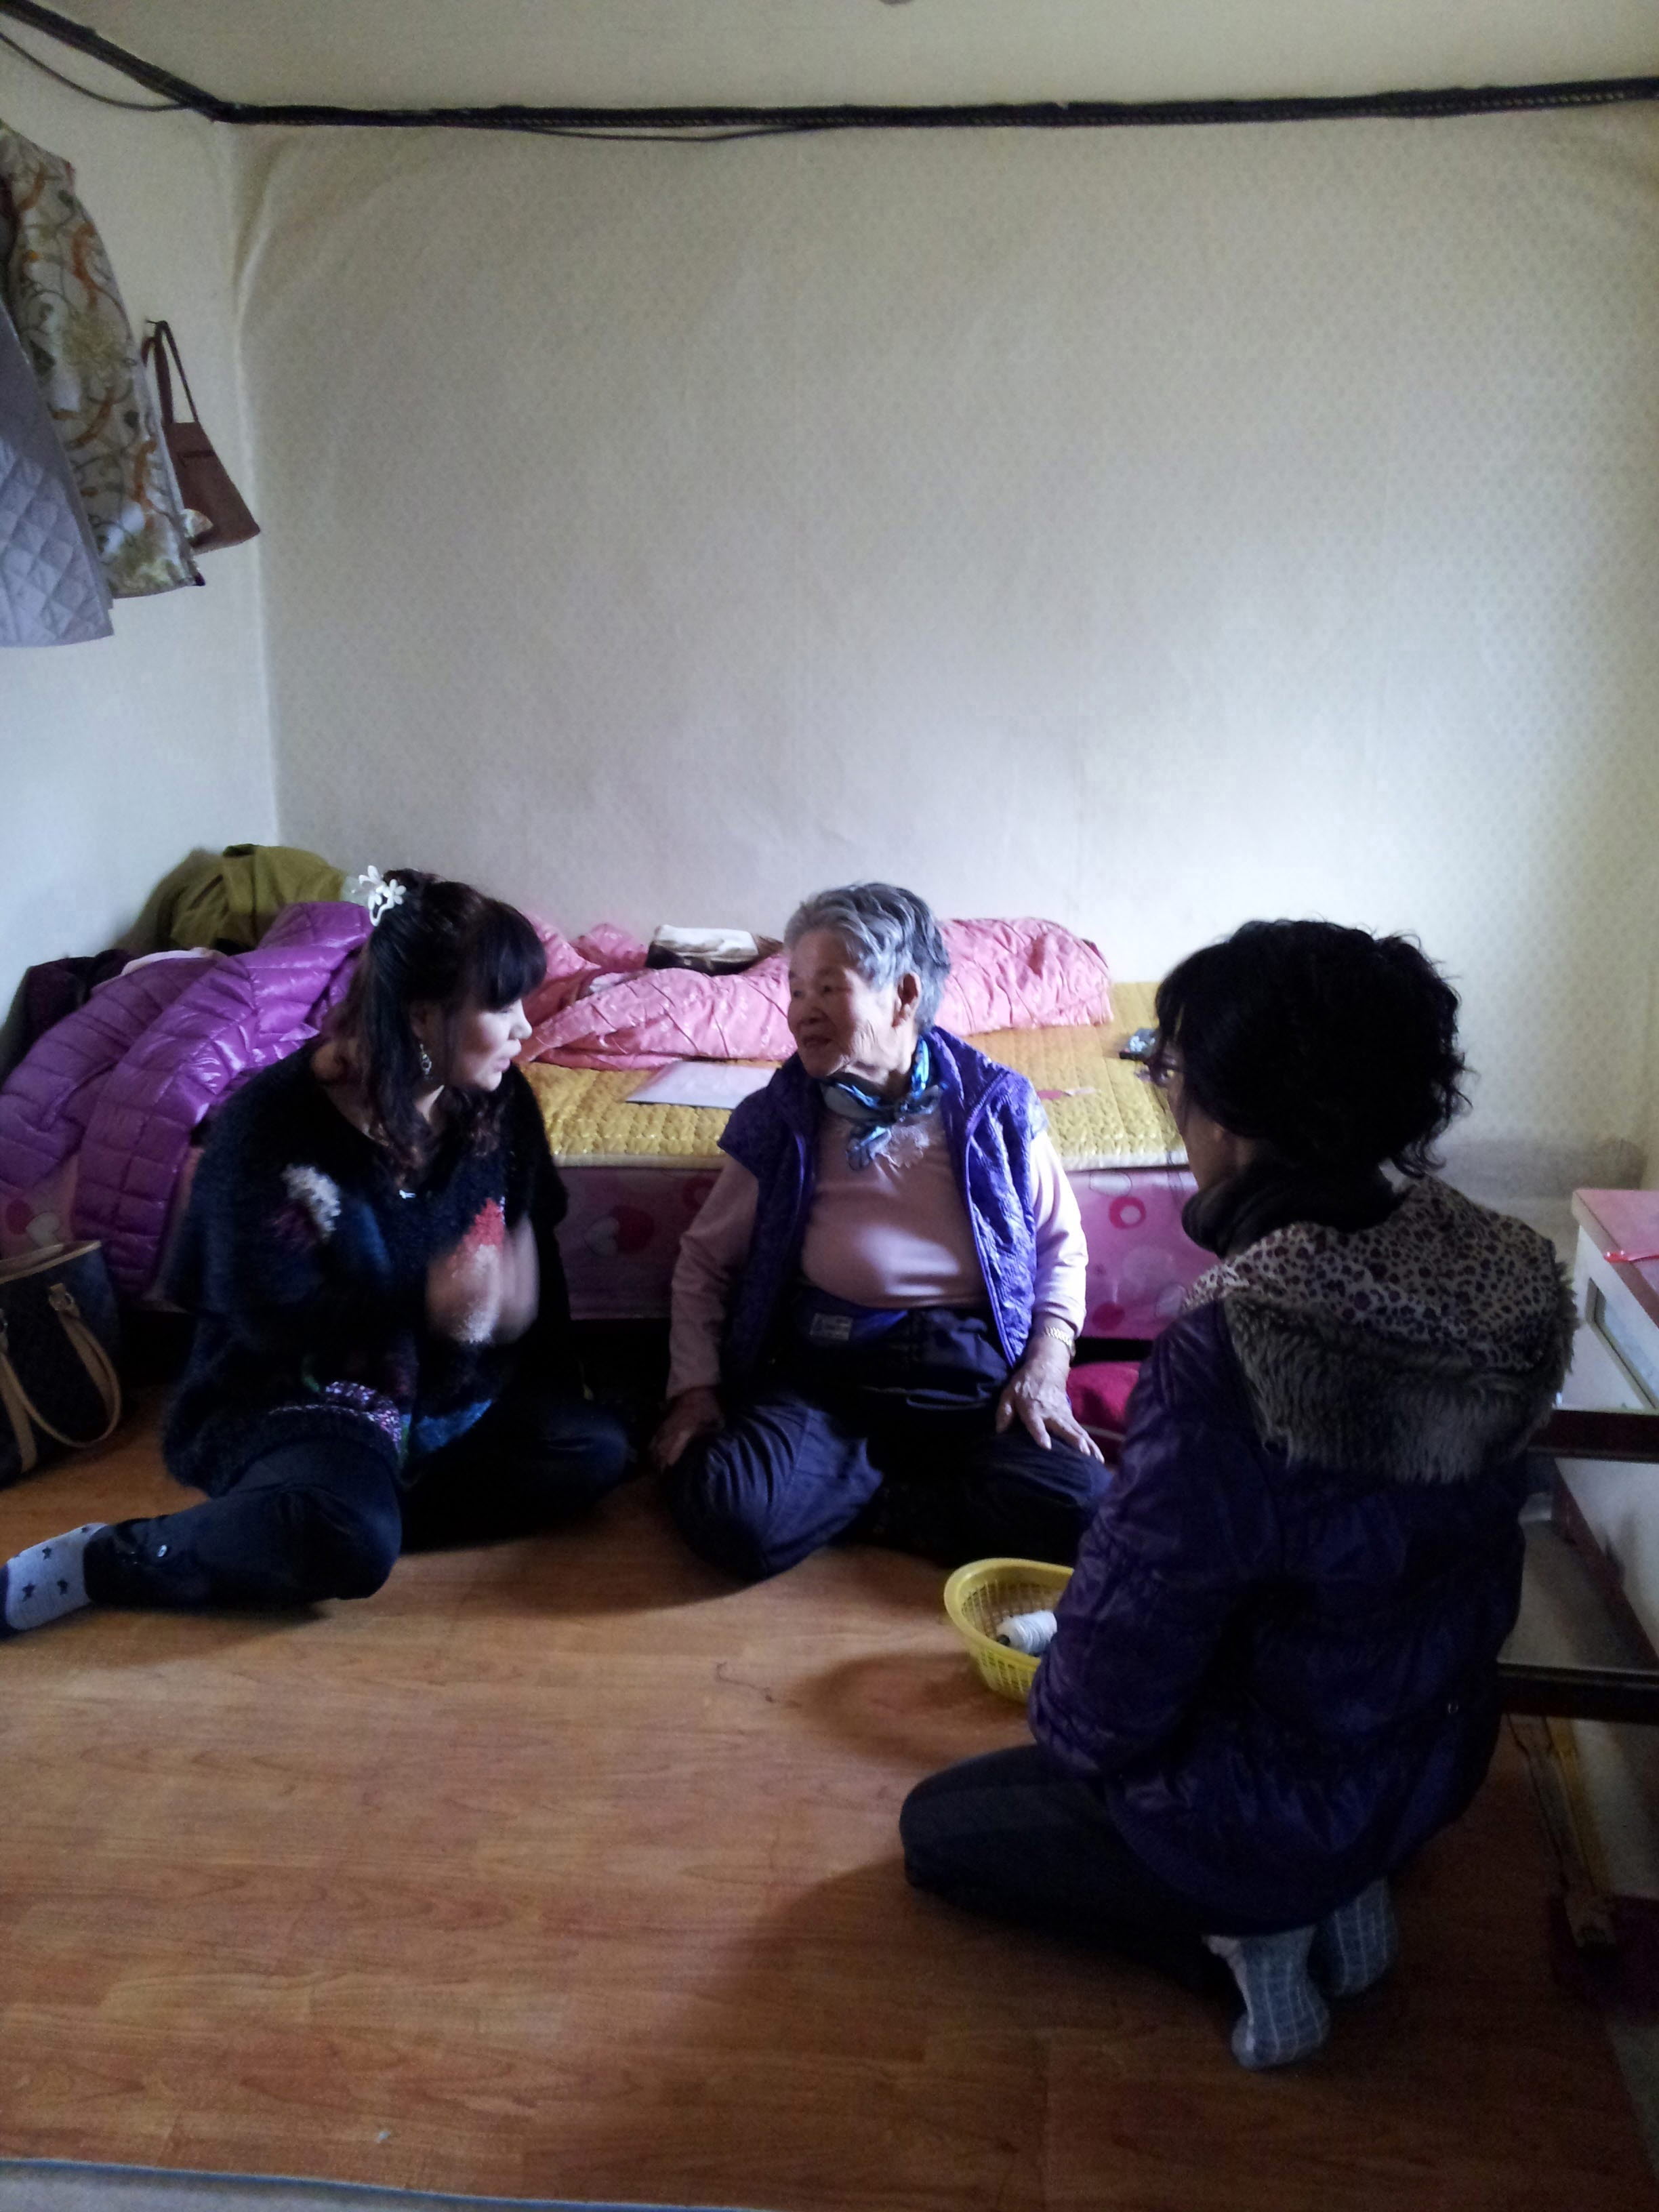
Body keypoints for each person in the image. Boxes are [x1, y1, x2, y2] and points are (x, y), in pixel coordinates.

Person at [900, 920, 1574, 2069]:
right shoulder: (1504, 1269)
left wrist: (1060, 1715)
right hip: (1430, 1755)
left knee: (938, 1829)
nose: (1168, 1101)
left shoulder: (1236, 1346)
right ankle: (1347, 1881)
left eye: (1169, 1071)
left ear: (1237, 1117)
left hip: (1263, 1800)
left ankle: (1247, 1930)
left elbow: (1124, 1659)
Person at [0, 870, 629, 1635]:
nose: (527, 1028)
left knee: (595, 1450)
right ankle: (104, 1559)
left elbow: (536, 1249)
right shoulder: (271, 1127)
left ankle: (327, 1513)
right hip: (307, 1393)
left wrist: (552, 1370)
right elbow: (264, 1320)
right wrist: (424, 1301)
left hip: (444, 1397)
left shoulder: (500, 1103)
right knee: (350, 1538)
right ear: (423, 1017)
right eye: (502, 1007)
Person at [653, 882, 1106, 1581]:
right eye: (796, 990)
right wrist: (695, 1389)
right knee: (728, 1512)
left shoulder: (995, 1105)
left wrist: (1046, 1370)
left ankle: (862, 1502)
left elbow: (1060, 1248)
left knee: (1086, 1508)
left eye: (828, 989)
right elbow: (705, 1261)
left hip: (969, 1375)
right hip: (830, 1371)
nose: (802, 1012)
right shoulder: (781, 1116)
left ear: (904, 996)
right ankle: (916, 1500)